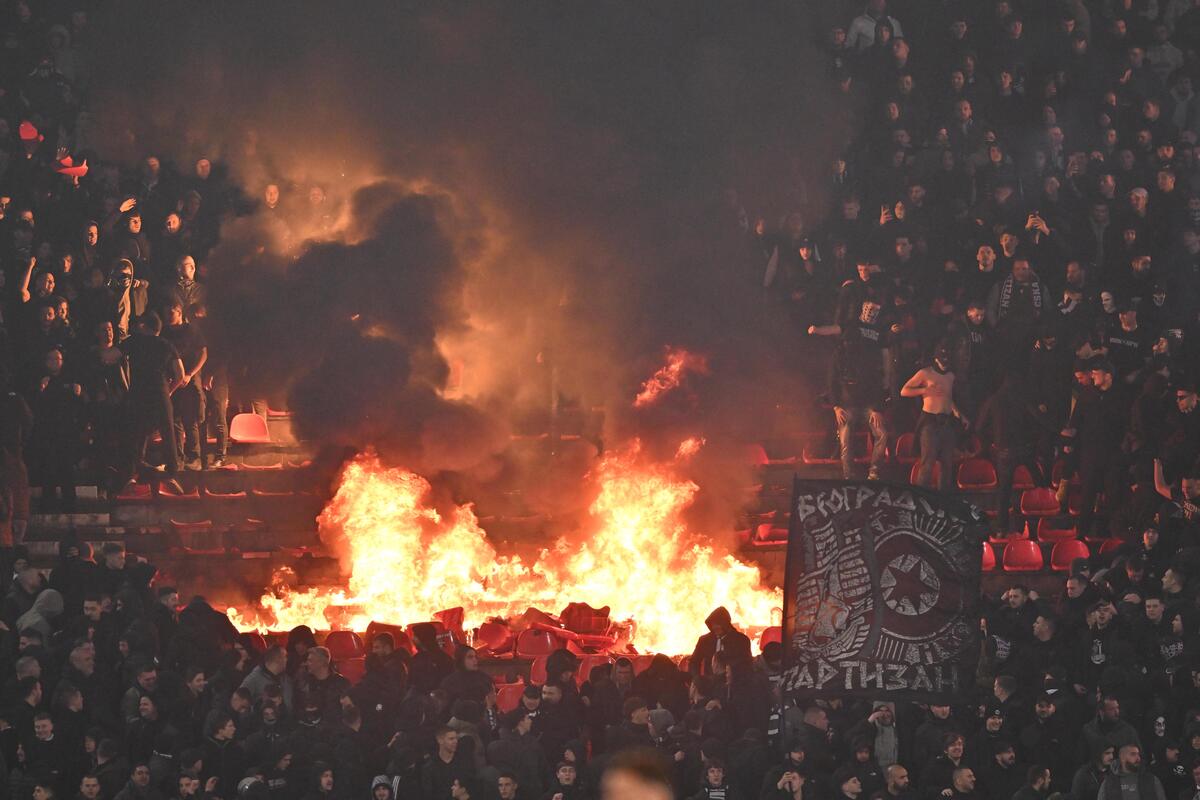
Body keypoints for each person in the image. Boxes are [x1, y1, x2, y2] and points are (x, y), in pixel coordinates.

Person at [828, 299, 890, 480]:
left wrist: (877, 408)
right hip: (846, 406)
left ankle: (874, 471)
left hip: (867, 405)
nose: (849, 345)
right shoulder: (838, 356)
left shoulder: (867, 355)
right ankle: (848, 475)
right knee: (845, 439)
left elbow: (876, 381)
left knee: (882, 434)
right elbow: (831, 381)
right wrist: (836, 407)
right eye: (846, 342)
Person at [901, 342, 966, 491]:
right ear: (936, 359)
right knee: (928, 463)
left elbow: (948, 398)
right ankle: (921, 498)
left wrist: (959, 414)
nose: (944, 364)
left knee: (947, 463)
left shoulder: (951, 375)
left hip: (947, 422)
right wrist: (924, 390)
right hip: (930, 422)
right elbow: (904, 391)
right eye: (942, 360)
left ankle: (942, 500)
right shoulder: (925, 373)